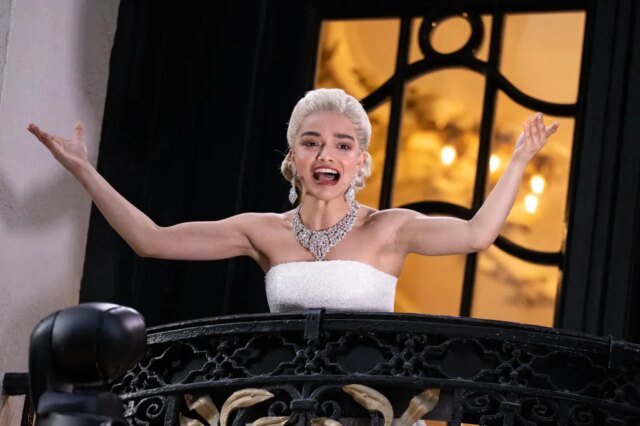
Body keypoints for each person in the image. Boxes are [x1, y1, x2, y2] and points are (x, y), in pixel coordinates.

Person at [27, 88, 558, 313]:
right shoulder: (262, 231)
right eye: (312, 142)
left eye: (343, 145)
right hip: (286, 404)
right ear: (294, 157)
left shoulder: (389, 229)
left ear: (359, 162)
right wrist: (85, 172)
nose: (327, 154)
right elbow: (151, 241)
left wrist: (517, 162)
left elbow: (476, 234)